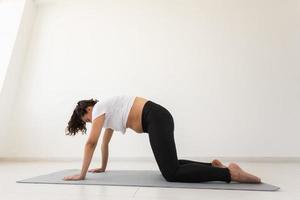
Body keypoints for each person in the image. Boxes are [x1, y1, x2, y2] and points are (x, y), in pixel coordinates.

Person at [63, 95, 261, 183]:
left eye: (86, 120)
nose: (90, 123)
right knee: (170, 166)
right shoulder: (108, 114)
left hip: (154, 117)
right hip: (156, 118)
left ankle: (229, 174)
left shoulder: (99, 109)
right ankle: (213, 166)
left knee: (171, 173)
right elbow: (104, 143)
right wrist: (103, 167)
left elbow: (91, 142)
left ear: (88, 109)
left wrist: (81, 175)